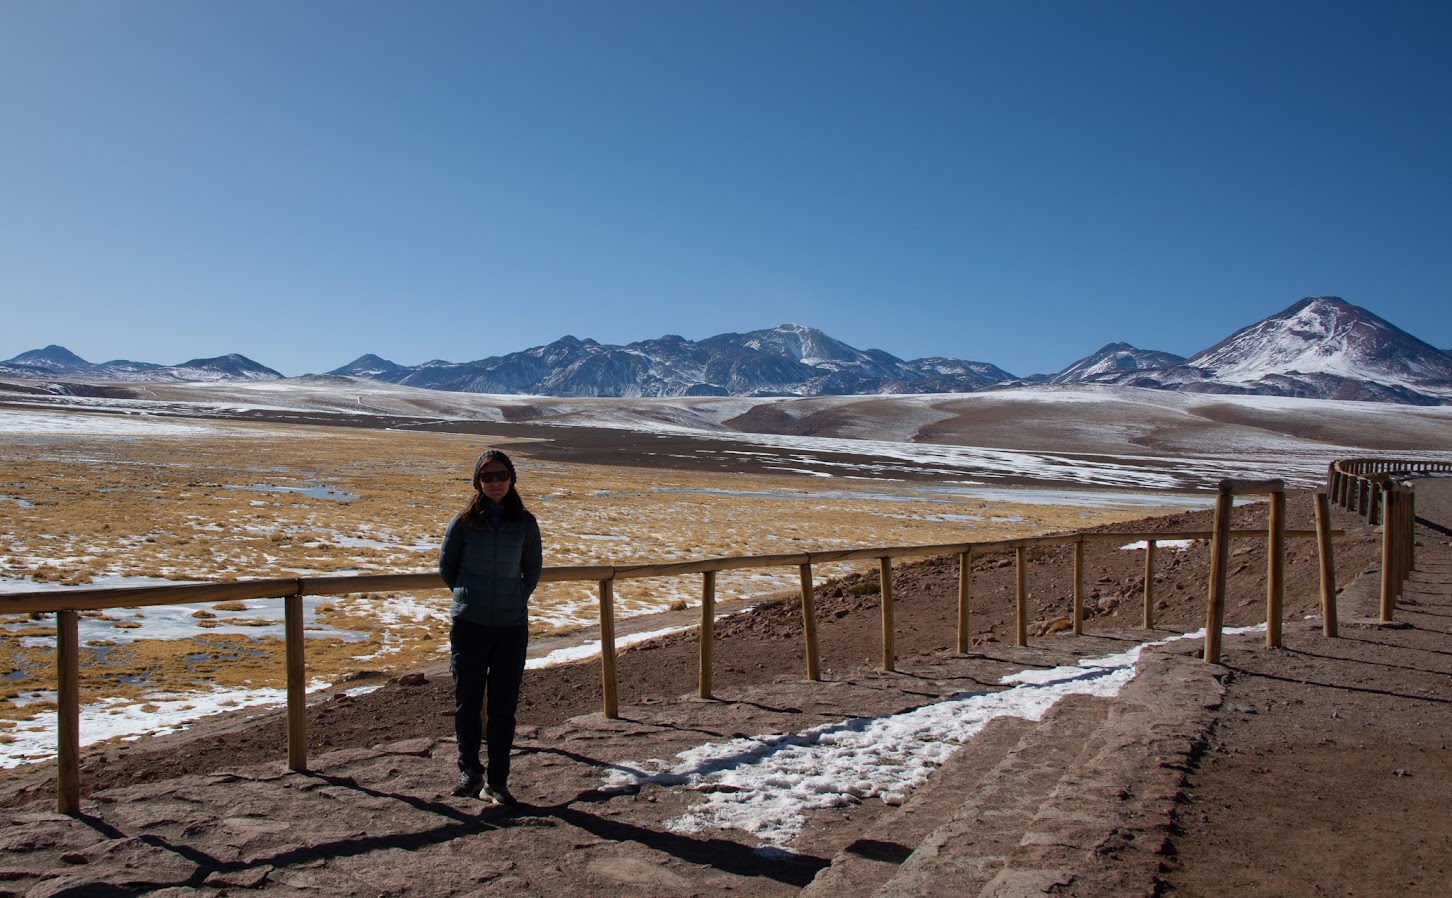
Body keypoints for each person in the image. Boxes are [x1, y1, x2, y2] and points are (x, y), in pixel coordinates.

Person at [438, 448, 542, 806]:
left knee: (503, 706)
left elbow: (533, 569)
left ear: (511, 479)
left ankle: (497, 781)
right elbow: (446, 566)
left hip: (510, 626)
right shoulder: (463, 522)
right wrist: (470, 595)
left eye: (501, 476)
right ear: (477, 482)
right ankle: (470, 772)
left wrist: (514, 597)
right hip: (470, 624)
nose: (495, 483)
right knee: (467, 702)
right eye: (487, 477)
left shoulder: (525, 523)